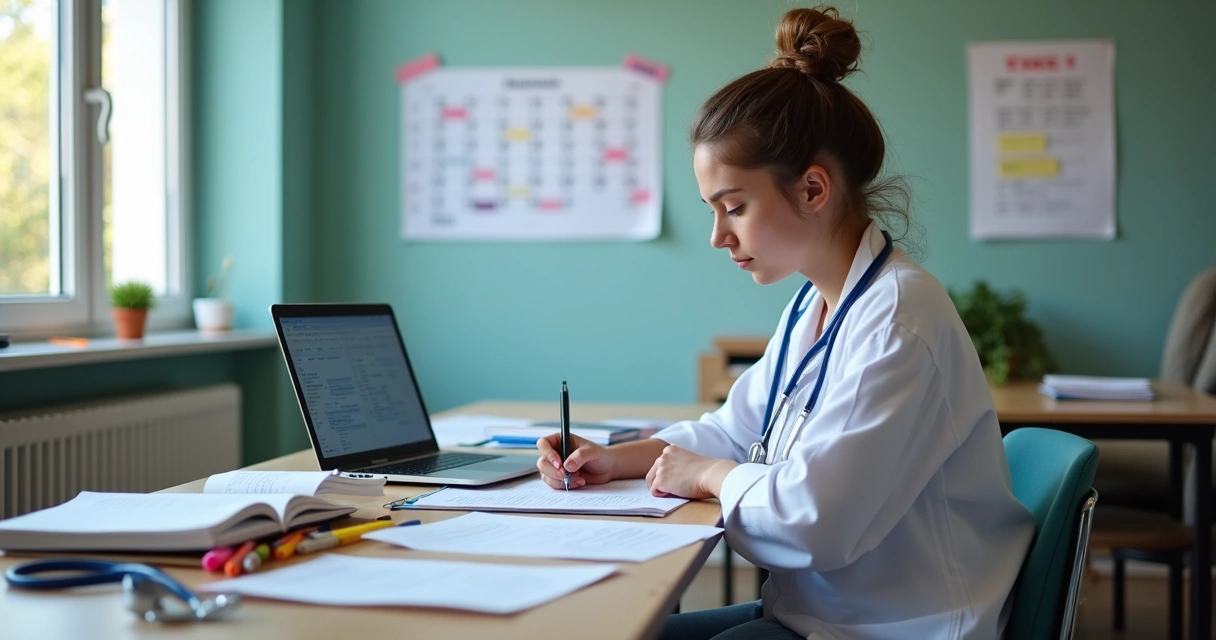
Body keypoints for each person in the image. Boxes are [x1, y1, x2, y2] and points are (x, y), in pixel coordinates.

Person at [536, 6, 1035, 639]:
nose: (719, 236)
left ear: (813, 190)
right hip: (820, 614)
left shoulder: (898, 321)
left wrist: (710, 476)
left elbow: (815, 521)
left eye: (734, 208)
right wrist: (614, 459)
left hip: (897, 627)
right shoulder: (816, 303)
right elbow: (738, 428)